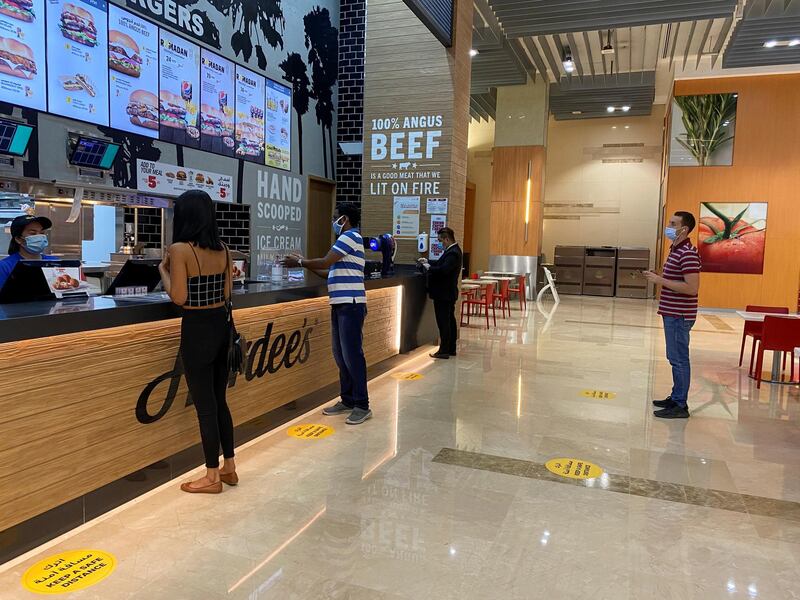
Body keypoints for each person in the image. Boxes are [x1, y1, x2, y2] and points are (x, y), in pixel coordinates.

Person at [159, 190, 237, 493]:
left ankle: (211, 476)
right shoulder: (224, 249)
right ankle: (229, 467)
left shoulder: (179, 250)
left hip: (196, 330)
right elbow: (227, 294)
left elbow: (179, 297)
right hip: (220, 327)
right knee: (220, 403)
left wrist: (163, 271)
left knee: (204, 407)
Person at [281, 203, 371, 425]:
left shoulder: (350, 237)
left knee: (352, 355)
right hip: (340, 303)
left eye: (335, 217)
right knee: (340, 355)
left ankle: (362, 404)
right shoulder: (346, 240)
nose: (333, 221)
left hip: (351, 304)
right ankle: (348, 399)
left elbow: (325, 261)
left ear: (345, 219)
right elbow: (327, 271)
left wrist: (300, 261)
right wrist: (304, 265)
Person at [644, 211, 701, 419]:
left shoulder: (688, 253)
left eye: (673, 223)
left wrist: (660, 281)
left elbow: (691, 288)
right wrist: (659, 276)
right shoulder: (676, 250)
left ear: (683, 229)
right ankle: (675, 396)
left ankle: (680, 404)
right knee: (673, 357)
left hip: (680, 315)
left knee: (679, 359)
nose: (668, 226)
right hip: (672, 313)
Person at [418, 227, 462, 359]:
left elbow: (443, 270)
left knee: (444, 322)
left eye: (440, 241)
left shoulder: (453, 253)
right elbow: (440, 264)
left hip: (444, 294)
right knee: (449, 321)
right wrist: (428, 262)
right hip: (447, 293)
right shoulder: (452, 251)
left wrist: (429, 268)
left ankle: (444, 350)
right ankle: (450, 349)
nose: (439, 243)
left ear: (447, 239)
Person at [0, 214, 56, 289]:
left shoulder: (54, 261)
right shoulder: (5, 266)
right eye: (33, 233)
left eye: (42, 233)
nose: (39, 237)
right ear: (19, 239)